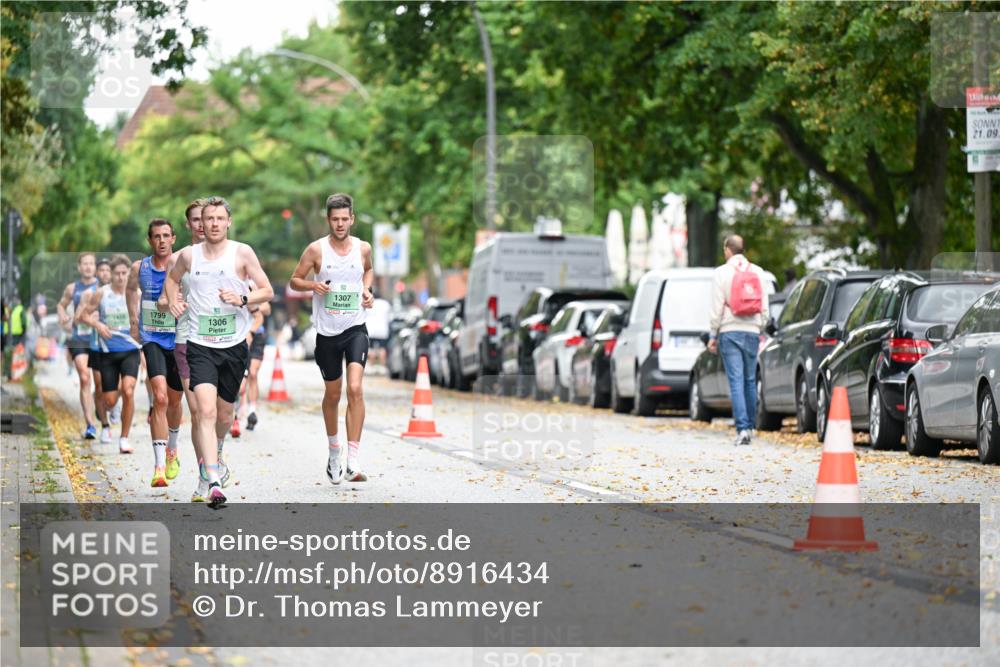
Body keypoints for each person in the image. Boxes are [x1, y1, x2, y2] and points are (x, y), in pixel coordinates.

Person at [165, 196, 274, 508]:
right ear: (201, 222)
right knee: (205, 411)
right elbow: (172, 280)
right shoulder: (189, 255)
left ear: (228, 222)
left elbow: (267, 290)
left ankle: (218, 450)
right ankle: (211, 479)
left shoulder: (242, 253)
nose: (213, 224)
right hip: (199, 345)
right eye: (208, 218)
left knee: (225, 415)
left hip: (234, 346)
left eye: (219, 219)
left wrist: (242, 299)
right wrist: (172, 301)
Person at [290, 193, 375, 485]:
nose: (340, 224)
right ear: (328, 220)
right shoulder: (316, 250)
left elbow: (368, 270)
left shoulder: (363, 248)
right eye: (335, 219)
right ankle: (334, 450)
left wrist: (367, 290)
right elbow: (294, 280)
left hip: (355, 327)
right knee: (333, 395)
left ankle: (353, 459)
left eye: (344, 219)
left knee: (355, 388)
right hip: (327, 332)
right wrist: (312, 285)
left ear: (352, 219)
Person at [128, 219, 185, 487]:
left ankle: (172, 447)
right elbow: (131, 289)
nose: (161, 240)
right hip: (152, 338)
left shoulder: (183, 264)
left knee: (174, 401)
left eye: (166, 236)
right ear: (149, 240)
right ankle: (159, 466)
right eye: (156, 236)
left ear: (173, 238)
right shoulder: (139, 268)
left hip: (179, 339)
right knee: (159, 398)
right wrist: (133, 320)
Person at [76, 254, 142, 454]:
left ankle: (124, 438)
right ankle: (109, 414)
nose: (121, 277)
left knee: (128, 390)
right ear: (111, 274)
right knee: (110, 400)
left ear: (129, 274)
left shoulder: (137, 294)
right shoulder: (101, 293)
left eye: (124, 273)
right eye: (117, 273)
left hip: (130, 349)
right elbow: (82, 315)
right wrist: (97, 324)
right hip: (107, 352)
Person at [708, 235, 770, 446]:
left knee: (736, 381)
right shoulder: (758, 272)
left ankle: (742, 429)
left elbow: (717, 307)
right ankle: (750, 427)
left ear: (728, 250)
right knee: (750, 380)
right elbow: (764, 306)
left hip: (730, 330)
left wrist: (713, 334)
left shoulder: (721, 273)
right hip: (752, 331)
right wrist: (759, 326)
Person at [57, 252, 100, 439]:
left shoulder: (102, 286)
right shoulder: (72, 288)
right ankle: (90, 424)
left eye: (91, 263)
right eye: (85, 263)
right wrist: (63, 316)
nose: (88, 267)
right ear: (79, 267)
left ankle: (101, 407)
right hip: (78, 338)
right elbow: (61, 305)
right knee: (84, 377)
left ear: (95, 267)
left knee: (101, 383)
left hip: (98, 337)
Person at [89, 258, 114, 443]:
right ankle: (105, 426)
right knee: (99, 386)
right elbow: (81, 316)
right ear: (97, 273)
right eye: (102, 270)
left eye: (108, 270)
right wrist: (94, 320)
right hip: (97, 345)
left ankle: (112, 405)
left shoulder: (120, 291)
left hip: (117, 345)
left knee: (118, 387)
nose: (105, 273)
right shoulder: (92, 293)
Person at [237, 300, 271, 432]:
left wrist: (250, 305)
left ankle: (252, 411)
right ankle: (236, 411)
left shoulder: (256, 288)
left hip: (257, 336)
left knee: (253, 372)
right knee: (240, 381)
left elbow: (267, 309)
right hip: (239, 336)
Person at [366, 290, 391, 372]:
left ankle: (371, 366)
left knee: (370, 348)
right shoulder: (385, 304)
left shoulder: (369, 302)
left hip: (370, 329)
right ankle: (382, 366)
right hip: (382, 329)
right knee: (382, 348)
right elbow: (389, 315)